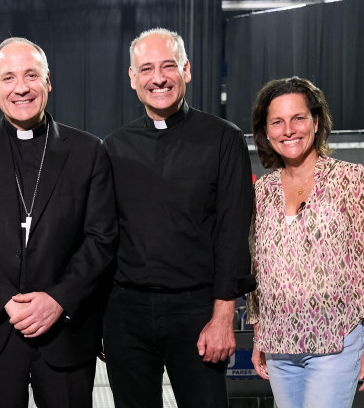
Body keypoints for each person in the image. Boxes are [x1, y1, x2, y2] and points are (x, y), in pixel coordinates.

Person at [0, 37, 118, 408]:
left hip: (64, 332)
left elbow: (101, 238)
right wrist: (5, 301)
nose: (20, 87)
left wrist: (59, 299)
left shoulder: (88, 150)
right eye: (8, 77)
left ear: (48, 81)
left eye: (31, 75)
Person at [103, 28, 255, 408]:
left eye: (168, 66)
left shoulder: (224, 139)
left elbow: (233, 234)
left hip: (198, 311)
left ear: (186, 70)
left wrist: (223, 317)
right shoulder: (114, 147)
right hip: (126, 313)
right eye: (147, 69)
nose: (158, 78)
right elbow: (103, 237)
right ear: (133, 77)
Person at [245, 77, 364, 408]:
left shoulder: (353, 179)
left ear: (316, 121)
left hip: (335, 341)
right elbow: (256, 266)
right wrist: (258, 334)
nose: (288, 130)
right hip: (278, 343)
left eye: (298, 118)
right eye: (277, 122)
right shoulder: (261, 191)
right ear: (265, 132)